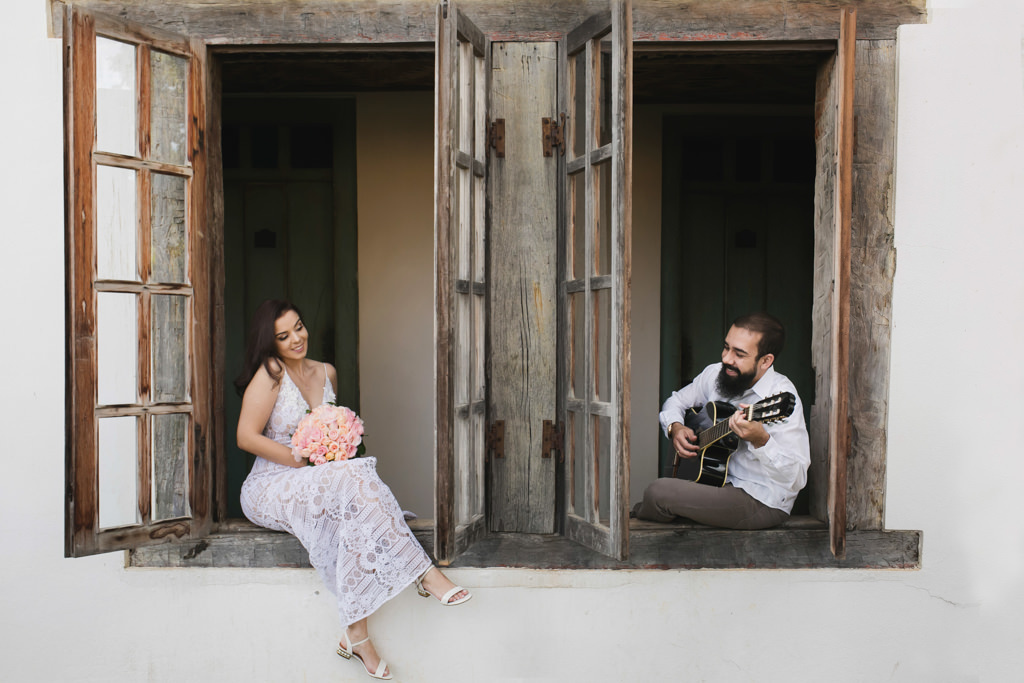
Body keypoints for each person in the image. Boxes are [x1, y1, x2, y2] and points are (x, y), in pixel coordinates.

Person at [236, 299, 470, 680]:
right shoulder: (271, 374)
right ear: (271, 342)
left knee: (355, 484)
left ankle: (357, 636)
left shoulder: (327, 372)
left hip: (322, 481)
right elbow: (245, 436)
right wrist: (300, 458)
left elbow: (333, 432)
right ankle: (422, 572)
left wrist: (334, 447)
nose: (297, 338)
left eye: (299, 327)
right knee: (356, 477)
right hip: (271, 485)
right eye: (284, 335)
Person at [634, 312, 810, 530]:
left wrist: (761, 441)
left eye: (739, 353)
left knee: (657, 492)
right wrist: (675, 427)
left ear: (766, 361)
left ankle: (642, 513)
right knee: (663, 493)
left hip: (759, 499)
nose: (727, 358)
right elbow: (677, 400)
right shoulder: (716, 374)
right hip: (716, 482)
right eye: (726, 347)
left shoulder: (780, 397)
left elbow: (796, 479)